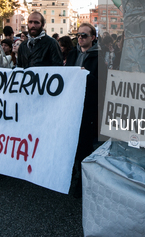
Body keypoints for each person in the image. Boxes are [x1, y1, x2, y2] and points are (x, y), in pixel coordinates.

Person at [65, 22, 106, 197]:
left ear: (93, 38)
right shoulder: (72, 54)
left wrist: (86, 76)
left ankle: (82, 183)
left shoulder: (100, 57)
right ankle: (71, 176)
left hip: (88, 106)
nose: (80, 38)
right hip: (71, 105)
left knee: (84, 145)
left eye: (84, 35)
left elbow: (103, 84)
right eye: (78, 35)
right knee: (70, 144)